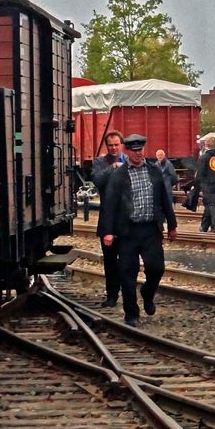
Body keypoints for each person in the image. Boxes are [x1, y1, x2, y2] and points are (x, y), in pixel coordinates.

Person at [101, 134, 177, 327]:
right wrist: (108, 231)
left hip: (151, 229)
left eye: (140, 150)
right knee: (127, 274)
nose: (138, 153)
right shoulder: (118, 175)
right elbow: (110, 204)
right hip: (127, 232)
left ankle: (147, 293)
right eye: (134, 150)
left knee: (156, 268)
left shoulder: (154, 171)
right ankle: (131, 313)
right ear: (127, 151)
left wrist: (172, 224)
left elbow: (164, 200)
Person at [93, 130, 125, 308]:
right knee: (110, 261)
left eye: (116, 145)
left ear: (121, 145)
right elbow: (97, 180)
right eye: (110, 145)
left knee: (127, 261)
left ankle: (126, 294)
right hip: (108, 219)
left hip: (126, 218)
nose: (113, 148)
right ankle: (112, 295)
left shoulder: (128, 161)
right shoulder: (100, 162)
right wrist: (111, 168)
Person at [195, 135, 215, 233]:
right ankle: (204, 227)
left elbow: (200, 173)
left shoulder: (204, 157)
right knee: (209, 205)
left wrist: (196, 186)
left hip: (208, 185)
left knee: (211, 205)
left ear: (205, 144)